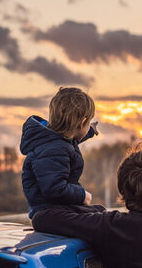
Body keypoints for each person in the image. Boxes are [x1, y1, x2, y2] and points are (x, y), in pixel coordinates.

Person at [20, 87, 98, 219]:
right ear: (82, 122)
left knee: (100, 212)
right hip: (48, 214)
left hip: (56, 208)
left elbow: (72, 140)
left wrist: (90, 131)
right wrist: (83, 195)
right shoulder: (54, 148)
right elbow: (54, 188)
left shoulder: (55, 141)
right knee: (99, 220)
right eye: (88, 123)